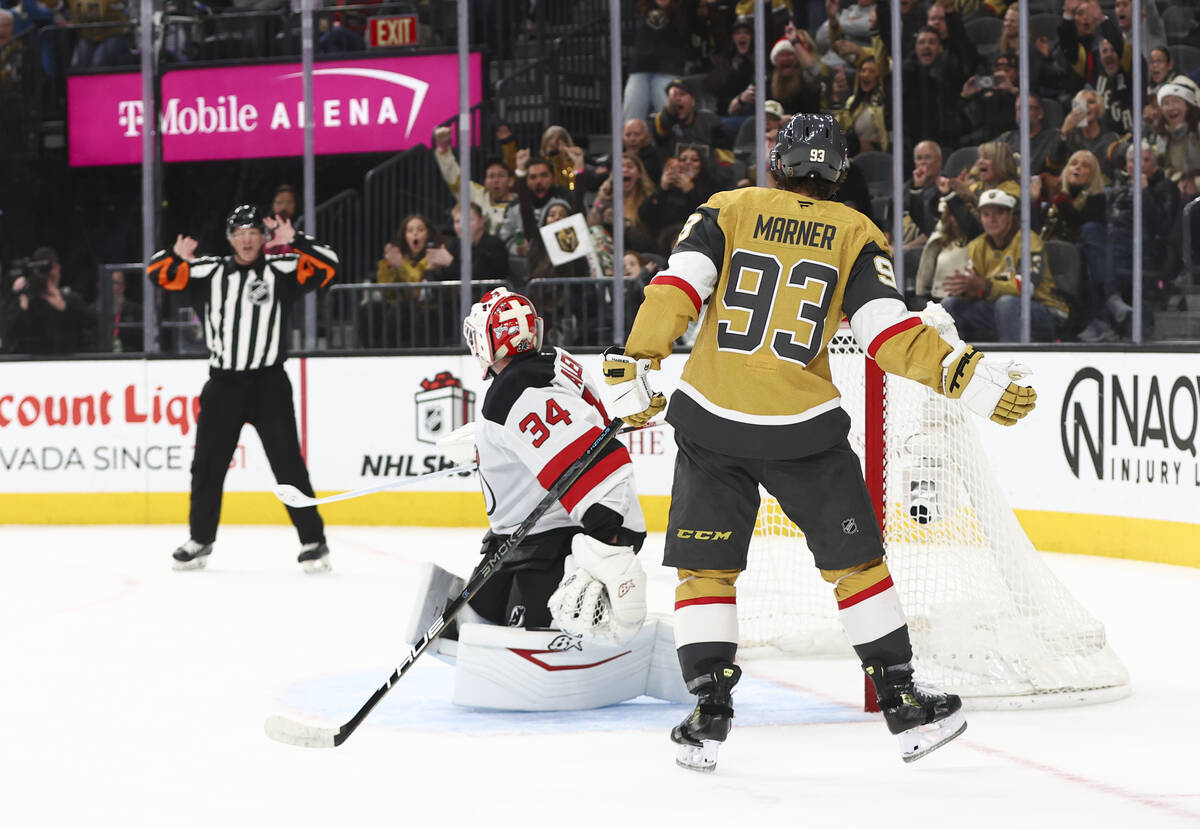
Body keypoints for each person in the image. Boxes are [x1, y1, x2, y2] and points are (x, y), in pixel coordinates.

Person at [602, 114, 1037, 772]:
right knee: (856, 565)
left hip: (710, 418)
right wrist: (959, 372)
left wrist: (634, 359)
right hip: (802, 429)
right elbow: (887, 336)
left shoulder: (728, 206)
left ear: (777, 162)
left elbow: (678, 286)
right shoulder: (856, 232)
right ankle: (902, 705)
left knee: (706, 572)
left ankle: (708, 715)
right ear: (839, 173)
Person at [398, 288, 681, 711]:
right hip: (522, 542)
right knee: (481, 614)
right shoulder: (547, 365)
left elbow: (591, 461)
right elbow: (562, 433)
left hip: (556, 543)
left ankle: (605, 634)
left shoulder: (513, 392)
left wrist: (610, 547)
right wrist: (490, 445)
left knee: (533, 625)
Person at [148, 205, 338, 573]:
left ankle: (313, 541)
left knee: (288, 464)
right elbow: (156, 273)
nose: (247, 239)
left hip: (269, 383)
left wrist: (296, 240)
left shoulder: (281, 270)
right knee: (206, 465)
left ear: (264, 237)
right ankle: (200, 539)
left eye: (254, 232)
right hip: (224, 385)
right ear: (230, 238)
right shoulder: (208, 271)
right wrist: (175, 256)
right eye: (240, 233)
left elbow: (329, 264)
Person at [942, 188, 1069, 342]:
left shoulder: (1028, 241)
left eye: (998, 213)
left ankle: (1014, 362)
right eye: (986, 215)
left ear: (1010, 215)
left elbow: (1027, 288)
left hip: (1043, 310)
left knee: (1007, 304)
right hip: (998, 309)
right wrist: (966, 288)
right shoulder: (976, 246)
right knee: (950, 305)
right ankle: (957, 361)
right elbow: (978, 287)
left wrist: (986, 286)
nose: (992, 220)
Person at [0, 246, 88, 354]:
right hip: (26, 362)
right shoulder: (21, 300)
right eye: (40, 271)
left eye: (50, 269)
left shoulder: (71, 300)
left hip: (64, 361)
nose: (46, 276)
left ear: (58, 268)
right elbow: (7, 335)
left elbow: (90, 327)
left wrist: (64, 308)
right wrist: (20, 304)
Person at [264, 184, 297, 254]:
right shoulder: (264, 229)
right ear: (272, 205)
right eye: (279, 203)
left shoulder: (304, 225)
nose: (284, 207)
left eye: (289, 202)